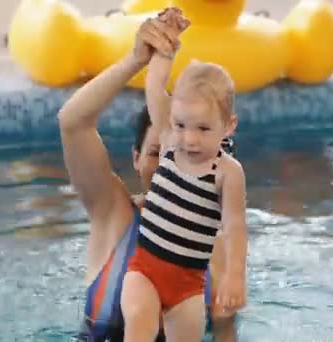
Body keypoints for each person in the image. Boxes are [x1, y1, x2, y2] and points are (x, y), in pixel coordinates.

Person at [57, 9, 240, 342]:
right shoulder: (112, 213)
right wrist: (135, 60)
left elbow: (226, 333)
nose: (174, 162)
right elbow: (72, 123)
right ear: (137, 159)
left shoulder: (211, 243)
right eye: (159, 153)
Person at [120, 7, 248, 342]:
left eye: (204, 128)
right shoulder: (169, 142)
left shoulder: (227, 172)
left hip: (189, 286)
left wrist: (235, 277)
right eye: (181, 125)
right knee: (138, 319)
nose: (189, 139)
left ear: (229, 126)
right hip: (145, 270)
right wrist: (168, 44)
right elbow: (155, 83)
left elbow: (235, 228)